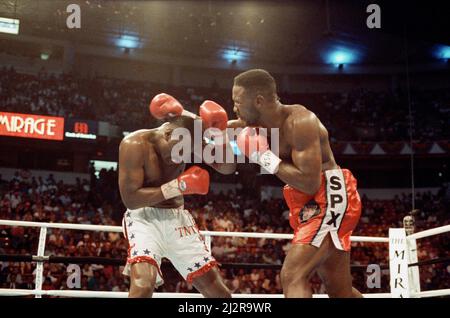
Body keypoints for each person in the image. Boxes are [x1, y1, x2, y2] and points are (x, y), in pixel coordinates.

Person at [230, 69, 363, 298]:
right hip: (307, 204)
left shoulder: (300, 122)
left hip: (329, 195)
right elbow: (221, 127)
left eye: (237, 102)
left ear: (259, 101)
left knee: (293, 276)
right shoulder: (258, 125)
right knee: (339, 291)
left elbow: (310, 183)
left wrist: (264, 157)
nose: (234, 108)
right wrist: (189, 121)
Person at [118, 94, 234, 297]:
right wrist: (177, 187)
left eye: (185, 153)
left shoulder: (187, 139)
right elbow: (131, 199)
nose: (179, 158)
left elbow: (226, 167)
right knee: (144, 284)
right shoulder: (134, 144)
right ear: (168, 133)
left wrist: (220, 135)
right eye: (177, 151)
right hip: (144, 219)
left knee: (218, 291)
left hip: (176, 218)